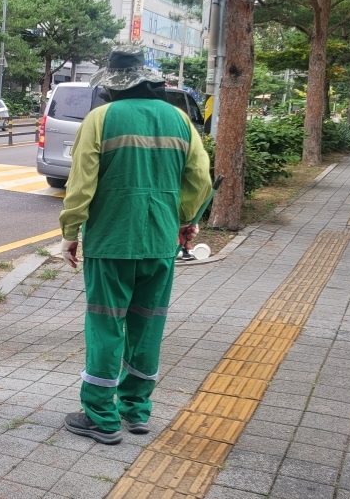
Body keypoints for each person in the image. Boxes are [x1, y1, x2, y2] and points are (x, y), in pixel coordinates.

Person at [59, 45, 212, 444]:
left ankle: (101, 416)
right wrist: (184, 222)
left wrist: (69, 233)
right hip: (160, 241)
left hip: (111, 241)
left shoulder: (101, 118)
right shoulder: (179, 119)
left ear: (111, 85)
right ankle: (137, 410)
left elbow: (80, 185)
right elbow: (200, 181)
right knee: (148, 326)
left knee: (106, 325)